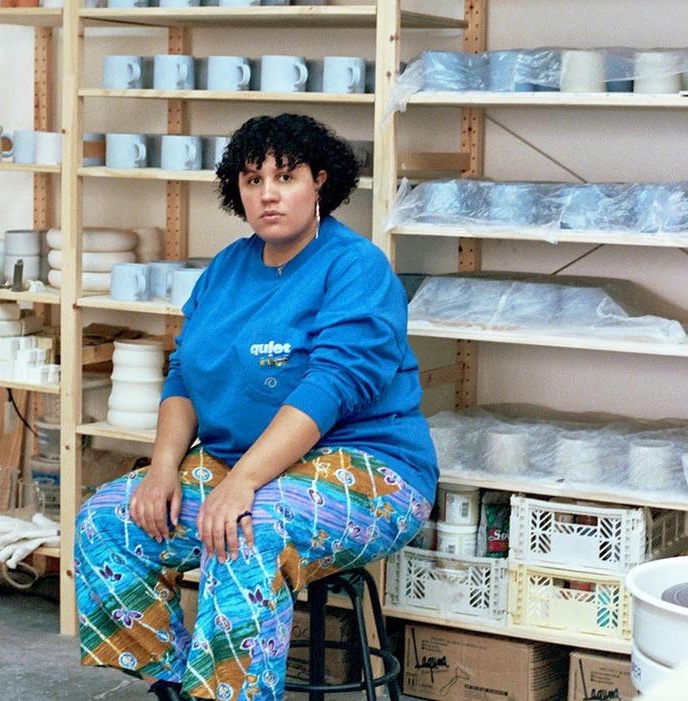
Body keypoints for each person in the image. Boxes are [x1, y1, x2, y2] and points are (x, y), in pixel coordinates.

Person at [74, 113, 438, 701]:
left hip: (370, 470)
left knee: (245, 532)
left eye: (286, 176)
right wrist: (162, 469)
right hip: (234, 465)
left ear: (321, 181)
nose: (267, 193)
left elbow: (330, 386)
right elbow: (184, 375)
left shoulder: (355, 267)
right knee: (106, 522)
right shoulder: (226, 269)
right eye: (251, 179)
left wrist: (242, 483)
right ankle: (180, 684)